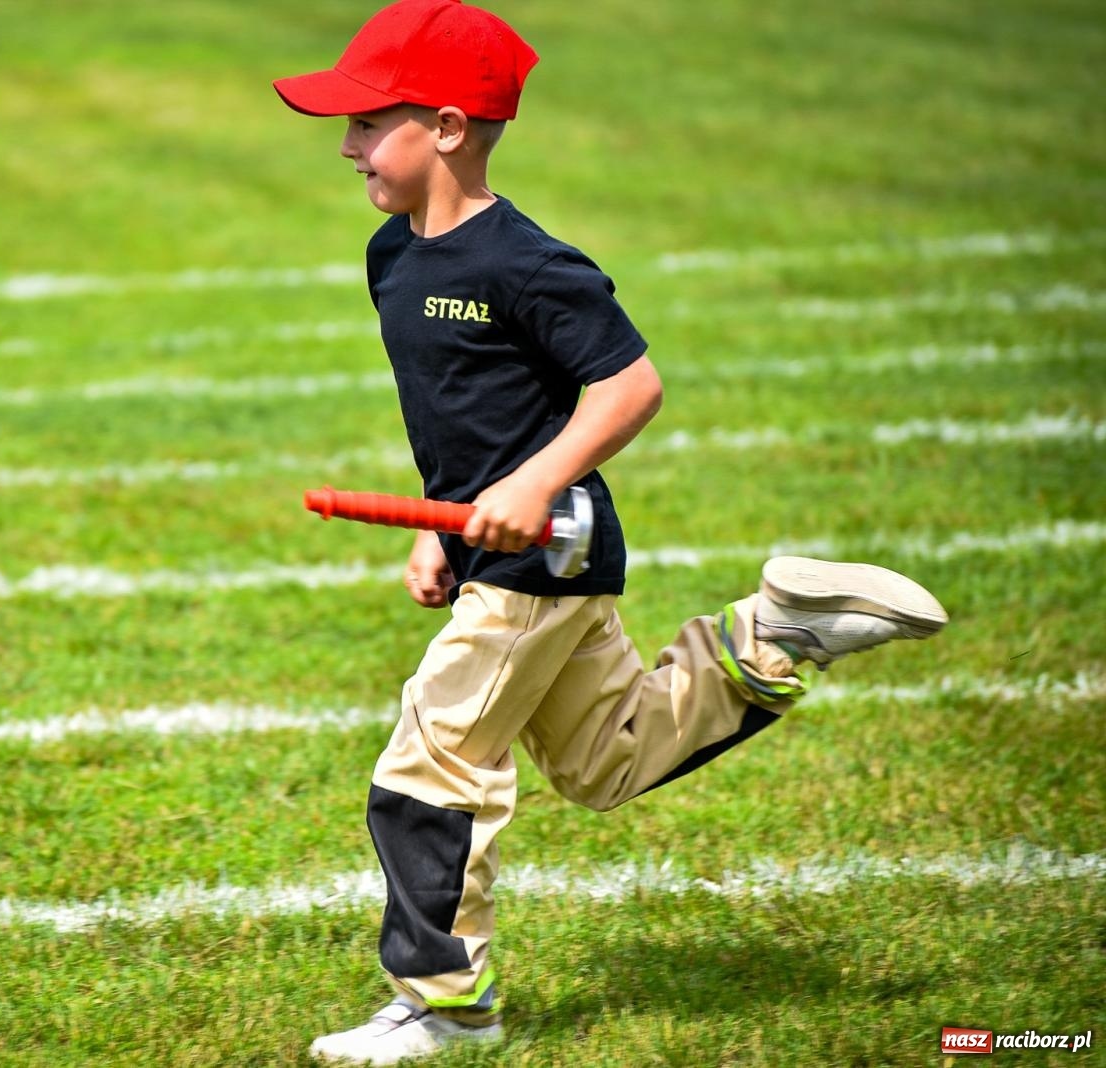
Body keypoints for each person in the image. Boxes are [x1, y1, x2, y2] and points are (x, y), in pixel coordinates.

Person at [272, 1, 948, 1063]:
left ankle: (446, 1004)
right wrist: (442, 529)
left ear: (447, 128)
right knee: (603, 761)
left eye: (367, 122)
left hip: (550, 542)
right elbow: (463, 416)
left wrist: (534, 485)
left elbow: (628, 386)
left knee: (430, 757)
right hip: (498, 542)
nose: (346, 144)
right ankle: (778, 632)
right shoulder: (391, 257)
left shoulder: (528, 264)